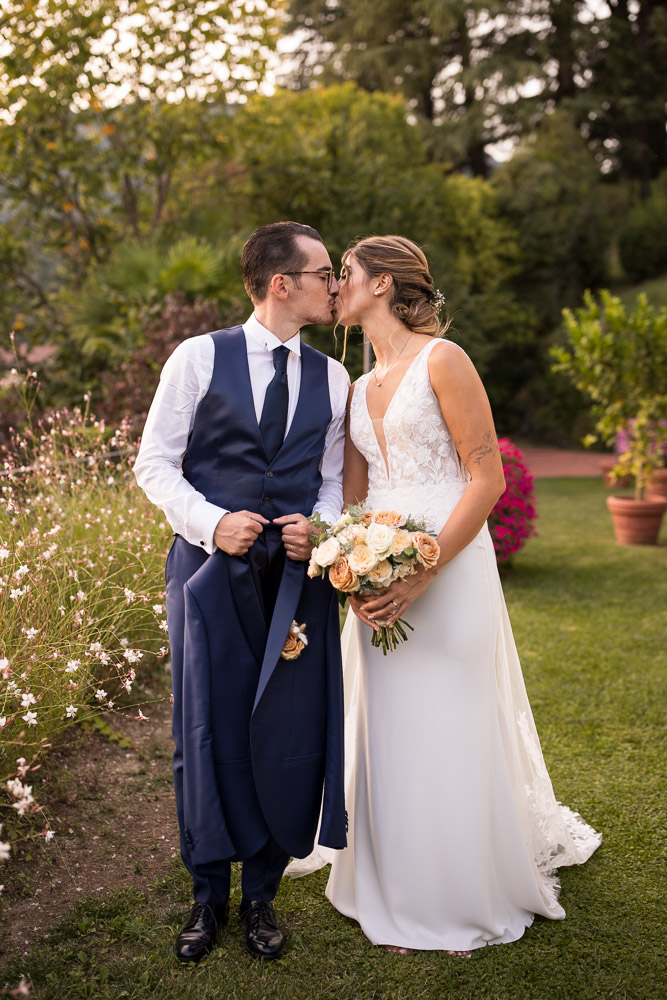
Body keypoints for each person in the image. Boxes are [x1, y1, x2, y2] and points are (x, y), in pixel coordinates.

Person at [288, 235, 601, 955]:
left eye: (347, 274)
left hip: (450, 564)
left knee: (449, 717)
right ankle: (386, 880)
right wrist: (352, 569)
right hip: (376, 568)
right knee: (388, 724)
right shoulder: (356, 385)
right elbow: (355, 499)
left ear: (386, 284)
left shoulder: (444, 360)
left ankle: (456, 892)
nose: (336, 285)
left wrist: (424, 570)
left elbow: (483, 475)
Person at [134, 222, 350, 963]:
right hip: (206, 573)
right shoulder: (197, 357)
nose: (336, 284)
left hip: (295, 580)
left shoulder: (333, 378)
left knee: (286, 730)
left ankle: (262, 895)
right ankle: (206, 896)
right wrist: (212, 521)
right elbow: (155, 465)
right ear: (281, 284)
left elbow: (329, 481)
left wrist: (316, 529)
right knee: (204, 729)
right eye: (324, 272)